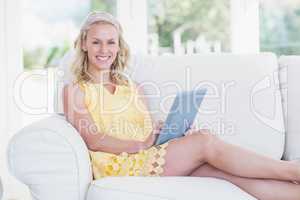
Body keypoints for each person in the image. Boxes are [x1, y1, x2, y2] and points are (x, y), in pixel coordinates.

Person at [63, 11, 300, 200]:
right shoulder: (75, 91)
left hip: (147, 153)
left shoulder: (132, 87)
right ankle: (292, 170)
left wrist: (166, 133)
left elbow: (145, 129)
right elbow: (94, 139)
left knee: (226, 175)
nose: (104, 50)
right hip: (118, 164)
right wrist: (142, 143)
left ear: (118, 46)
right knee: (204, 140)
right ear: (83, 43)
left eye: (110, 42)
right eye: (96, 42)